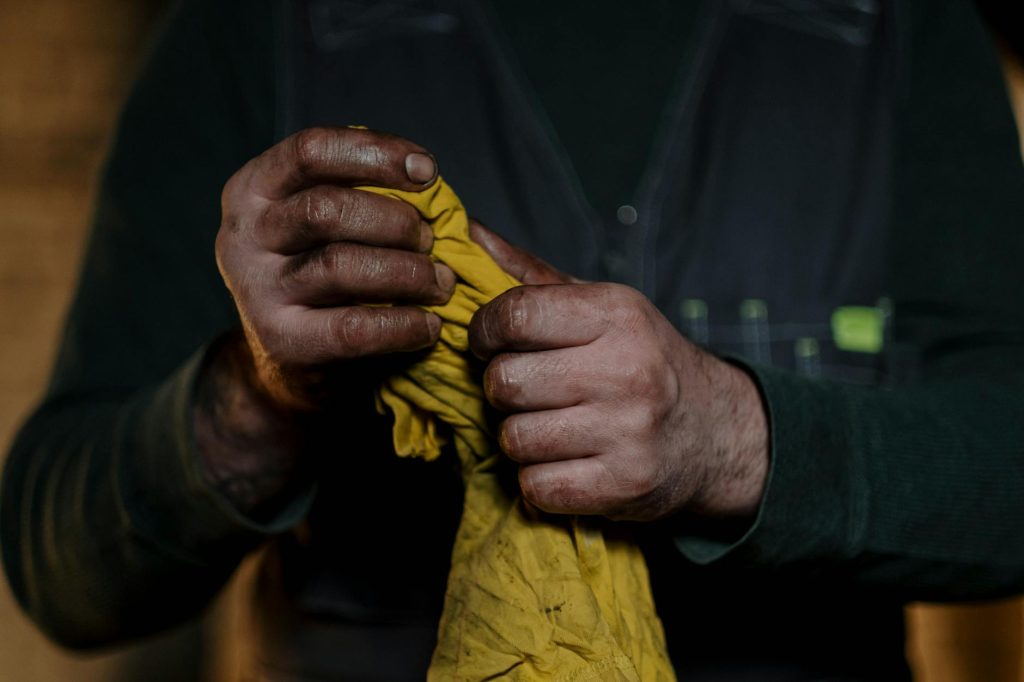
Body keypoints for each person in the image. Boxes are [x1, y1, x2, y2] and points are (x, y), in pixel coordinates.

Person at [3, 0, 1024, 679]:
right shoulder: (254, 27)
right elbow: (62, 575)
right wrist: (264, 398)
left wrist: (733, 441)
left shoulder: (900, 26)